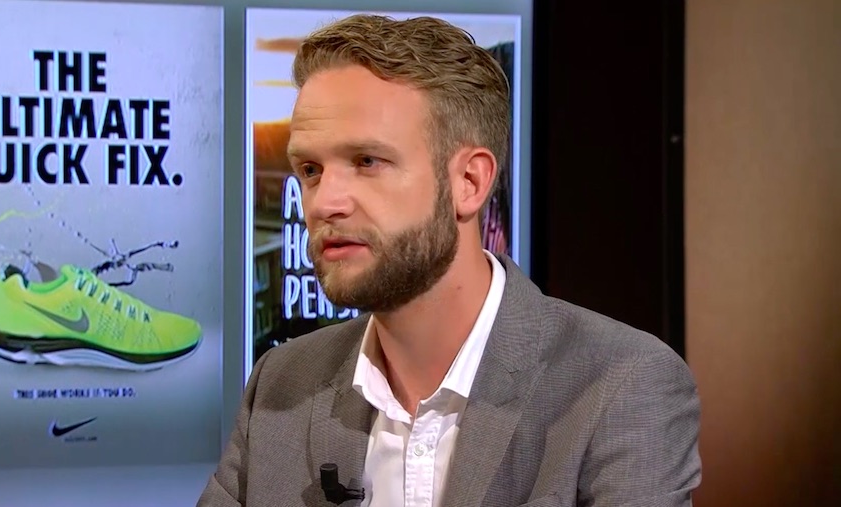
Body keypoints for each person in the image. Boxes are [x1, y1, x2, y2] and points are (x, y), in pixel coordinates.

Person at [199, 14, 701, 507]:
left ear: (469, 183)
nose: (325, 202)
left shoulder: (620, 385)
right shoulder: (281, 383)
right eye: (310, 169)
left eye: (367, 162)